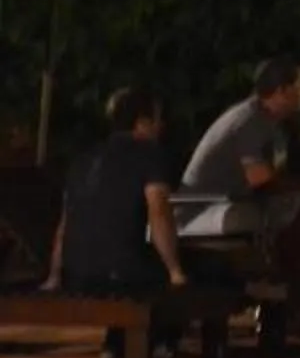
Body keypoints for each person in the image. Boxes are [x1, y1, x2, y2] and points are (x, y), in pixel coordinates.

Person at [180, 56, 300, 278]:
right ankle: (290, 287)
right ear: (282, 90)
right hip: (204, 207)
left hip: (235, 199)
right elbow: (259, 178)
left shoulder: (272, 122)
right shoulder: (249, 120)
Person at [42, 86, 191, 294]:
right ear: (142, 123)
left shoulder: (83, 159)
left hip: (76, 272)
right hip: (121, 273)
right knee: (200, 270)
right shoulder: (150, 154)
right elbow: (159, 214)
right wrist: (175, 272)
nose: (162, 126)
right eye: (158, 119)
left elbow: (65, 224)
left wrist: (54, 276)